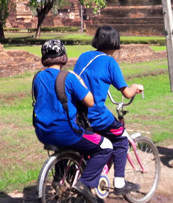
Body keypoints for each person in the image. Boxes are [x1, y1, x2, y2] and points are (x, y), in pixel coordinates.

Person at [32, 39, 111, 203]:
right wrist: (80, 81)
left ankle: (61, 178)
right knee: (105, 146)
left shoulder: (38, 77)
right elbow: (90, 101)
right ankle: (85, 183)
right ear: (63, 57)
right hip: (66, 132)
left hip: (43, 131)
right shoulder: (69, 77)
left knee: (71, 146)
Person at [73, 26, 143, 196]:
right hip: (95, 115)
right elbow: (126, 93)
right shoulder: (110, 62)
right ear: (114, 42)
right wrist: (136, 87)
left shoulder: (84, 56)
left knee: (97, 141)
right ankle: (119, 183)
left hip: (77, 114)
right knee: (121, 138)